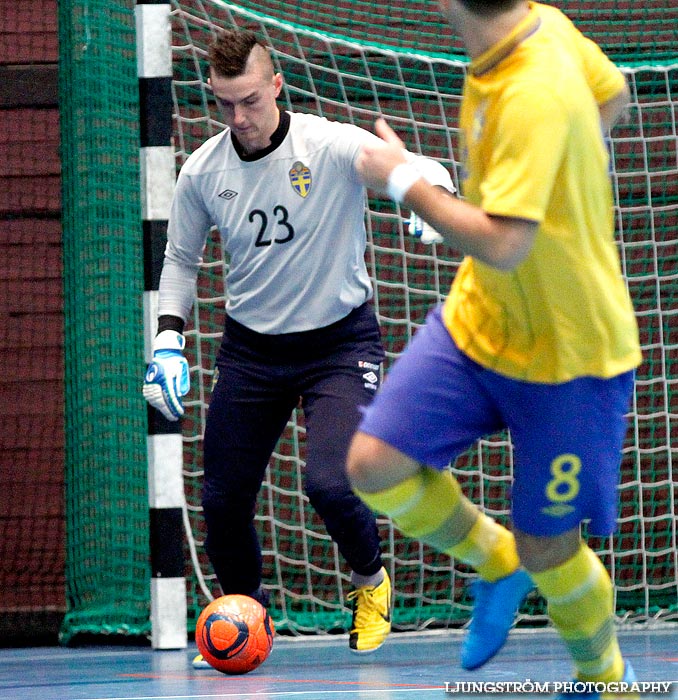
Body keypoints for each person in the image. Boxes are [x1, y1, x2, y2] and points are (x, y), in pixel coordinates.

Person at [346, 1, 641, 698]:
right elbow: (615, 94)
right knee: (373, 465)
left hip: (572, 354)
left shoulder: (531, 91)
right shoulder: (541, 24)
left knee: (553, 549)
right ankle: (495, 559)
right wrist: (562, 174)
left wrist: (401, 180)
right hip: (481, 320)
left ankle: (609, 680)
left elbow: (506, 244)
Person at [142, 28, 454, 666]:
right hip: (252, 352)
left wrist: (431, 198)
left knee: (332, 486)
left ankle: (370, 581)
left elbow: (408, 170)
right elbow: (179, 261)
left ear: (276, 84)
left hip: (340, 346)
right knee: (223, 498)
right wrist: (168, 342)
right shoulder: (203, 171)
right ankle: (242, 615)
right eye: (224, 104)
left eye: (250, 100)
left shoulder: (331, 145)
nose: (239, 118)